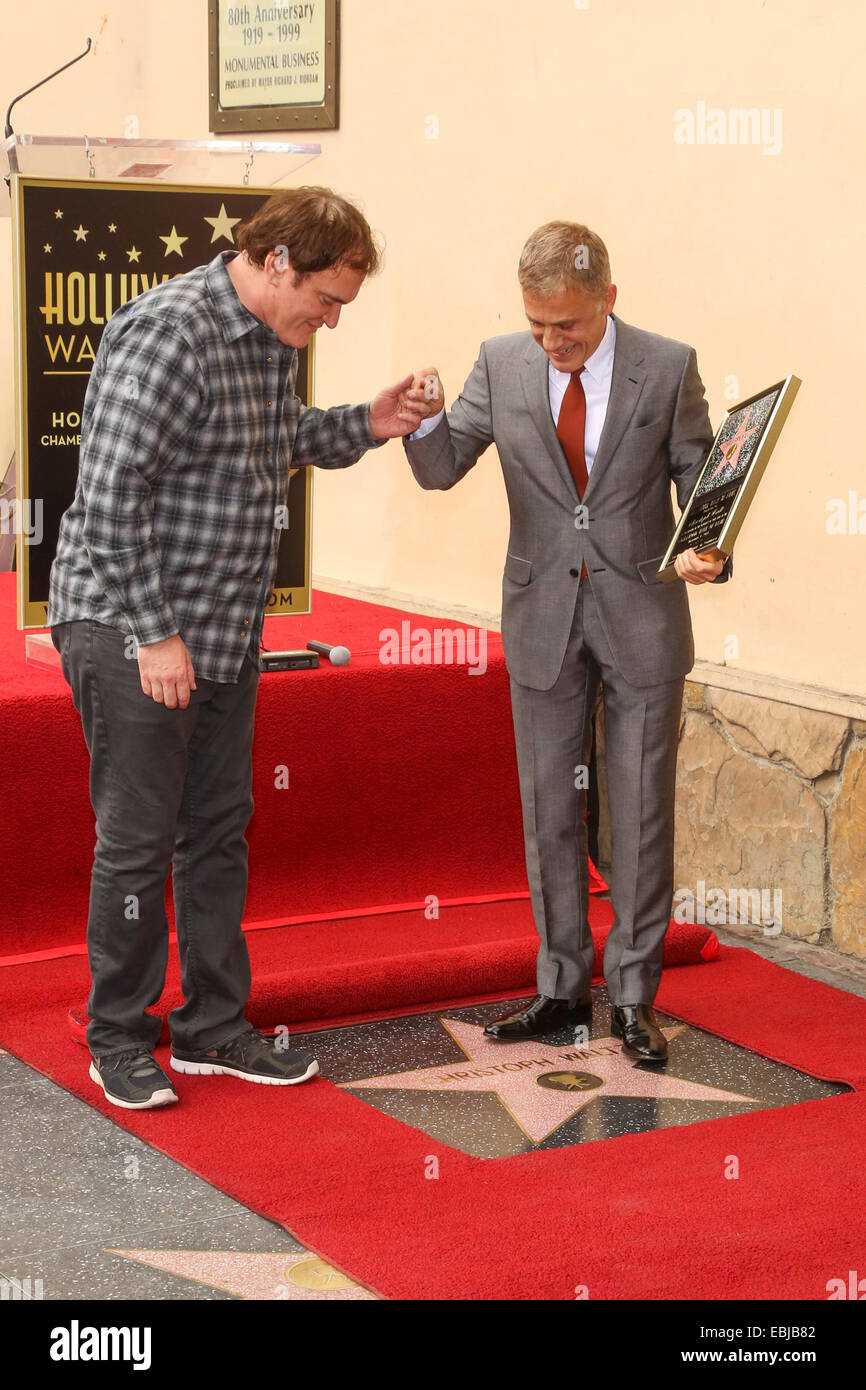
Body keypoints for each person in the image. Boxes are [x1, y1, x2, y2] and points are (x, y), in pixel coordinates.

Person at [48, 187, 427, 1110]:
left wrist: (365, 424)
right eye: (327, 300)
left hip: (219, 633)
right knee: (138, 844)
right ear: (276, 263)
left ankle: (213, 1028)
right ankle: (118, 1038)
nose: (331, 321)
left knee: (215, 833)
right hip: (132, 627)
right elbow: (108, 496)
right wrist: (155, 635)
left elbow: (265, 443)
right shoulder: (172, 331)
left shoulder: (271, 340)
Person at [402, 221, 730, 1063]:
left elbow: (699, 481)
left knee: (640, 813)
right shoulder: (501, 362)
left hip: (645, 620)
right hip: (542, 616)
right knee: (549, 811)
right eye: (540, 324)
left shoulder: (669, 364)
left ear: (608, 301)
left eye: (571, 326)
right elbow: (442, 469)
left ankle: (631, 998)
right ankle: (559, 988)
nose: (554, 342)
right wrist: (415, 420)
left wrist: (711, 547)